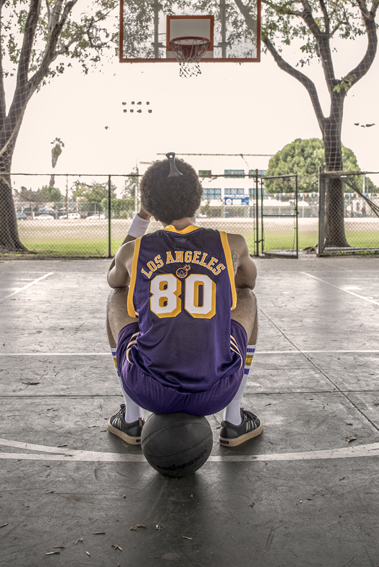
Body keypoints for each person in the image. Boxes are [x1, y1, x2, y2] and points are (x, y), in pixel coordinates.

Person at [106, 153, 262, 448]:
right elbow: (248, 282)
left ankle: (130, 418)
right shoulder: (233, 244)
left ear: (150, 205)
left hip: (148, 390)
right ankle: (234, 421)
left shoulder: (134, 251)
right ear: (198, 200)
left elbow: (114, 278)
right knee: (246, 297)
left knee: (117, 297)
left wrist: (142, 218)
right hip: (216, 391)